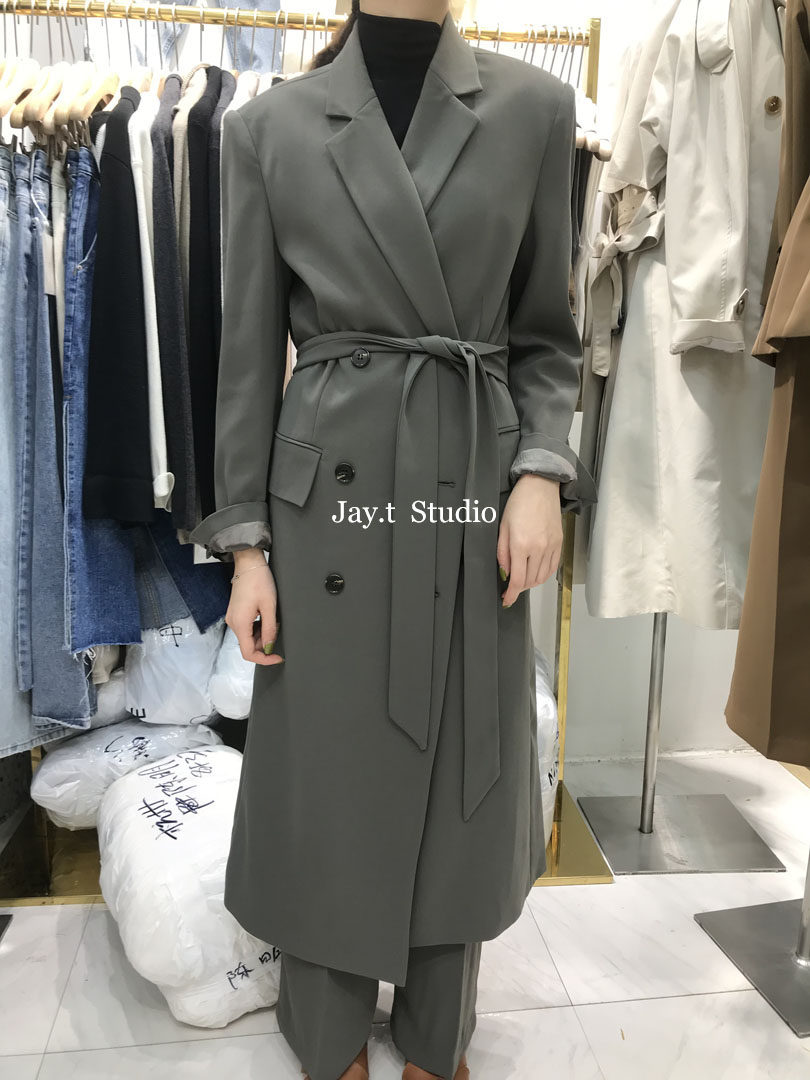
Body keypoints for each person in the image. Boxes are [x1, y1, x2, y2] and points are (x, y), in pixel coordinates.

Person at [190, 2, 594, 1078]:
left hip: (474, 491)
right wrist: (247, 549)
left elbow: (547, 336)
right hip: (328, 506)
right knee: (329, 770)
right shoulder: (268, 128)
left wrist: (541, 474)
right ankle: (326, 1035)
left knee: (463, 761)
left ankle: (433, 1033)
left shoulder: (535, 109)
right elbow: (244, 359)